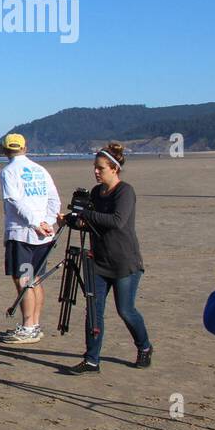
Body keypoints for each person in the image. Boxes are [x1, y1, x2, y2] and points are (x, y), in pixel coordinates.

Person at [57, 143, 154, 374]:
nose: (96, 171)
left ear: (114, 168)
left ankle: (145, 347)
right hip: (98, 262)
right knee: (93, 310)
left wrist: (84, 214)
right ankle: (91, 359)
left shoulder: (125, 191)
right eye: (95, 167)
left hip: (125, 263)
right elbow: (89, 224)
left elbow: (116, 221)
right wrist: (70, 220)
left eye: (100, 168)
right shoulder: (95, 192)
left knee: (126, 310)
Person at [0, 134, 61, 344]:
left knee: (25, 280)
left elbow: (14, 200)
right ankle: (33, 324)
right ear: (24, 148)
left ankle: (28, 327)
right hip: (41, 234)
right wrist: (48, 221)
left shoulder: (8, 171)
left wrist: (37, 222)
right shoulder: (40, 170)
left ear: (6, 150)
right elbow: (54, 199)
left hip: (23, 234)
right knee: (35, 279)